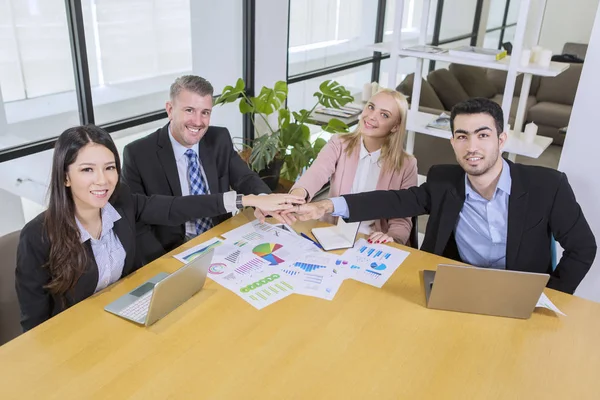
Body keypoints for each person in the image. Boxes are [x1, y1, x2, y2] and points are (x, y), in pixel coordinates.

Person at [282, 97, 596, 294]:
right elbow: (393, 201)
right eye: (462, 136)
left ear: (502, 139)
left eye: (483, 135)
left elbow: (583, 247)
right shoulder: (445, 180)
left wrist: (550, 294)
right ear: (453, 142)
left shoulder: (548, 185)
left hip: (516, 290)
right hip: (456, 286)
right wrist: (327, 204)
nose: (472, 146)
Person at [15, 125, 303, 331]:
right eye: (87, 169)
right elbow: (34, 324)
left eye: (110, 167)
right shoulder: (38, 236)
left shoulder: (122, 202)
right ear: (65, 177)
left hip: (125, 317)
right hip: (79, 336)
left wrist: (247, 199)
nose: (102, 180)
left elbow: (176, 207)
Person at [122, 75, 272, 264]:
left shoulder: (219, 138)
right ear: (170, 110)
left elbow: (245, 179)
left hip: (221, 239)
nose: (198, 121)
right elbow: (136, 221)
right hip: (173, 250)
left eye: (205, 112)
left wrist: (268, 201)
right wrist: (162, 263)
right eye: (189, 110)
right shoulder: (138, 154)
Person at [284, 88, 417, 245]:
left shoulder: (407, 164)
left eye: (384, 115)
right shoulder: (339, 143)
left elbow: (402, 218)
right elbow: (316, 174)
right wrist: (299, 194)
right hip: (332, 233)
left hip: (372, 242)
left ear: (395, 126)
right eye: (371, 107)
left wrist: (392, 238)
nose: (372, 116)